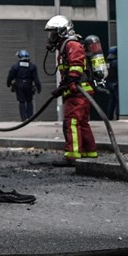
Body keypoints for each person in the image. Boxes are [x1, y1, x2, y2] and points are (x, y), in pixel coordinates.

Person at [45, 15, 98, 165]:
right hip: (77, 90)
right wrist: (63, 87)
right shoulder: (66, 45)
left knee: (72, 122)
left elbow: (76, 65)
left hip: (78, 91)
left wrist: (70, 82)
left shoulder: (71, 44)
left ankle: (73, 155)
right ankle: (89, 152)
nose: (51, 37)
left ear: (62, 31)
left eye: (53, 33)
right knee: (81, 123)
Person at [6, 50, 42, 122]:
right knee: (29, 101)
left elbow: (10, 76)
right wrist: (38, 87)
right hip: (29, 85)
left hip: (19, 85)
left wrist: (8, 84)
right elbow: (36, 78)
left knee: (21, 101)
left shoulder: (15, 66)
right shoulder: (32, 66)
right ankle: (30, 117)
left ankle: (23, 118)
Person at [104, 46, 119, 120]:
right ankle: (118, 116)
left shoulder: (107, 63)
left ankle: (109, 117)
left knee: (111, 101)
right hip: (116, 83)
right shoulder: (116, 62)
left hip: (109, 83)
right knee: (117, 101)